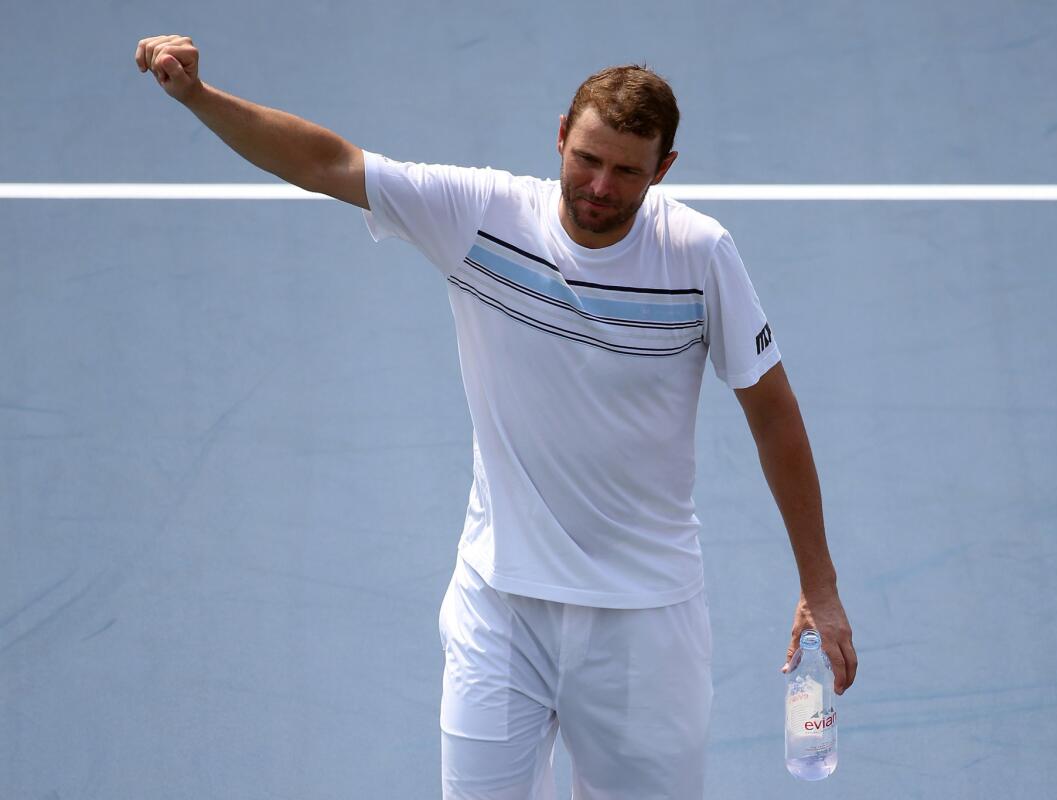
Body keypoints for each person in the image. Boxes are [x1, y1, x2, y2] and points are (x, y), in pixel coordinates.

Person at [135, 34, 857, 799]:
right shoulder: (482, 215)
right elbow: (327, 163)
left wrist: (821, 584)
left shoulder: (699, 254)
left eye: (626, 171)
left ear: (664, 170)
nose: (600, 187)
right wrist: (199, 99)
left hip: (646, 624)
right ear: (559, 135)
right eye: (587, 158)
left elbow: (772, 412)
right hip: (502, 607)